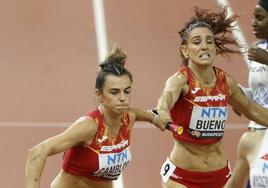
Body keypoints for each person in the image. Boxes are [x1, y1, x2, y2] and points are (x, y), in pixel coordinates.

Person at [156, 6, 268, 188]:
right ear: (185, 51)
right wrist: (161, 112)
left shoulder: (225, 82)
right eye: (197, 42)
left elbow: (252, 110)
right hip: (181, 177)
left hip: (220, 176)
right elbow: (164, 101)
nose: (205, 46)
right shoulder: (179, 81)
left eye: (209, 41)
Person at [25, 47, 169, 188]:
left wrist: (156, 118)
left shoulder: (129, 116)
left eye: (127, 91)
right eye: (114, 92)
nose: (122, 98)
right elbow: (37, 152)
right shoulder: (89, 127)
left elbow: (152, 115)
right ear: (99, 94)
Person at [225, 0, 268, 187]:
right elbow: (259, 94)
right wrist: (239, 96)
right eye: (254, 17)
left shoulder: (262, 54)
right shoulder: (260, 48)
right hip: (253, 133)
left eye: (260, 18)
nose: (253, 23)